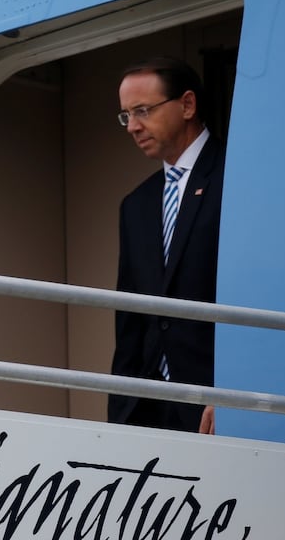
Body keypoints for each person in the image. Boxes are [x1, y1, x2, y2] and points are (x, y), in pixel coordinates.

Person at [108, 56, 225, 432]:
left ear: (187, 105)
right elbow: (130, 319)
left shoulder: (236, 177)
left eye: (143, 110)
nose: (133, 127)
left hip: (216, 405)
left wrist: (233, 393)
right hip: (149, 411)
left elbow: (255, 298)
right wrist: (121, 415)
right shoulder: (136, 205)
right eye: (126, 115)